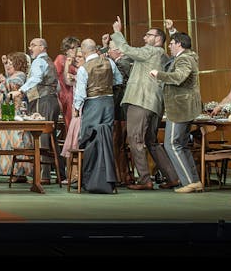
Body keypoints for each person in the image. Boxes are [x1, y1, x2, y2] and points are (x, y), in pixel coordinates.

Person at [109, 16, 180, 190]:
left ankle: (144, 179)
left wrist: (117, 33)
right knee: (151, 142)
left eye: (148, 35)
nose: (144, 38)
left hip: (141, 100)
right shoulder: (161, 55)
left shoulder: (152, 51)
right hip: (154, 103)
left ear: (158, 39)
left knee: (135, 139)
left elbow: (128, 50)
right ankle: (173, 177)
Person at [150, 31, 203, 193]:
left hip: (180, 108)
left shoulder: (184, 58)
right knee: (181, 146)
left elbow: (179, 77)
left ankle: (188, 182)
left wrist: (159, 74)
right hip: (184, 108)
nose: (170, 47)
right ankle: (194, 181)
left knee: (172, 144)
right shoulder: (188, 57)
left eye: (172, 43)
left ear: (179, 44)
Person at [10, 37, 66, 183]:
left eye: (33, 45)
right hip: (51, 100)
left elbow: (36, 78)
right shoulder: (49, 61)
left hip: (43, 101)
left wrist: (20, 91)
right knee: (50, 137)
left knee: (42, 138)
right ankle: (60, 174)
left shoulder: (39, 61)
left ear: (42, 47)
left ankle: (44, 175)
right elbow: (57, 86)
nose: (30, 48)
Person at [72, 39, 123, 194]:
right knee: (105, 139)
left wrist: (76, 108)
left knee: (89, 139)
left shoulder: (84, 69)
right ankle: (106, 179)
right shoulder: (110, 62)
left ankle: (89, 179)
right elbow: (119, 80)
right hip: (108, 103)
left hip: (93, 104)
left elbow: (81, 93)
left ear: (83, 51)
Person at [0, 52, 33, 178]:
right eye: (7, 63)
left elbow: (15, 91)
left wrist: (4, 82)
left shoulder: (20, 75)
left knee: (15, 140)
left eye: (11, 63)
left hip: (13, 111)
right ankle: (7, 169)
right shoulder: (12, 76)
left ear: (18, 64)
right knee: (5, 139)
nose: (8, 65)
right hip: (6, 110)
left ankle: (17, 170)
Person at [56, 36, 81, 130]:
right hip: (65, 94)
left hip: (74, 93)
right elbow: (57, 77)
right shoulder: (61, 58)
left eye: (77, 47)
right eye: (72, 48)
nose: (75, 50)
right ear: (66, 50)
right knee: (70, 122)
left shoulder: (77, 61)